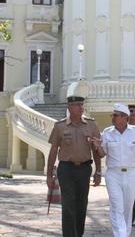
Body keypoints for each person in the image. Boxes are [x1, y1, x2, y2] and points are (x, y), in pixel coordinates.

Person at [46, 93, 103, 237]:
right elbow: (53, 150)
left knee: (82, 205)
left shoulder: (91, 125)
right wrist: (49, 175)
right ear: (69, 107)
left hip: (84, 169)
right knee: (68, 206)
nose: (81, 108)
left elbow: (96, 150)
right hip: (66, 169)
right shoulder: (59, 126)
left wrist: (98, 172)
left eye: (82, 105)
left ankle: (78, 234)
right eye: (77, 105)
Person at [93, 103, 135, 237]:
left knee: (127, 208)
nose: (112, 117)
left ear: (124, 117)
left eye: (116, 115)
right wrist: (97, 147)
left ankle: (125, 233)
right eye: (112, 115)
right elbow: (102, 153)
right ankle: (121, 235)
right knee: (116, 206)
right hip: (113, 174)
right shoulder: (107, 132)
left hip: (131, 173)